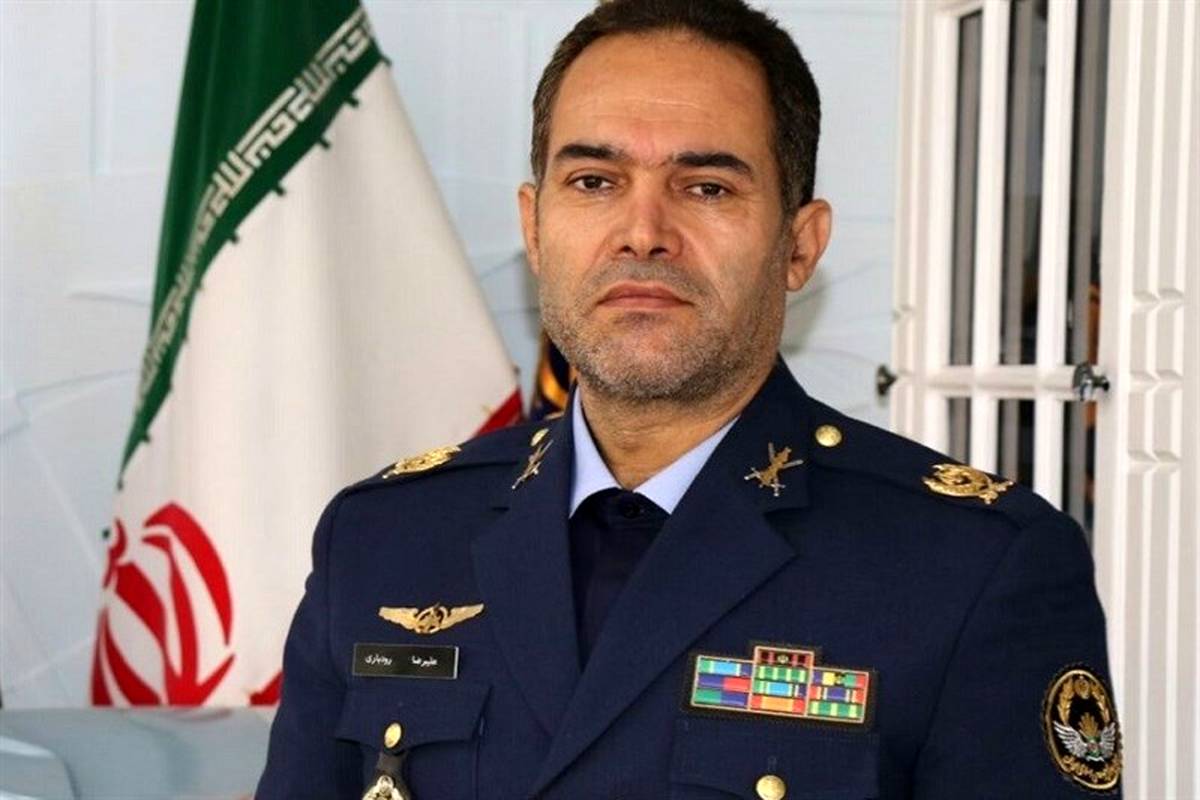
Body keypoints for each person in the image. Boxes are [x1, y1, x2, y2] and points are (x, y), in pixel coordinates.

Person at [257, 1, 1121, 797]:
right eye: (593, 181)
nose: (643, 232)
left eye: (707, 187)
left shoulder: (972, 568)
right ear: (534, 228)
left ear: (799, 245)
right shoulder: (382, 540)